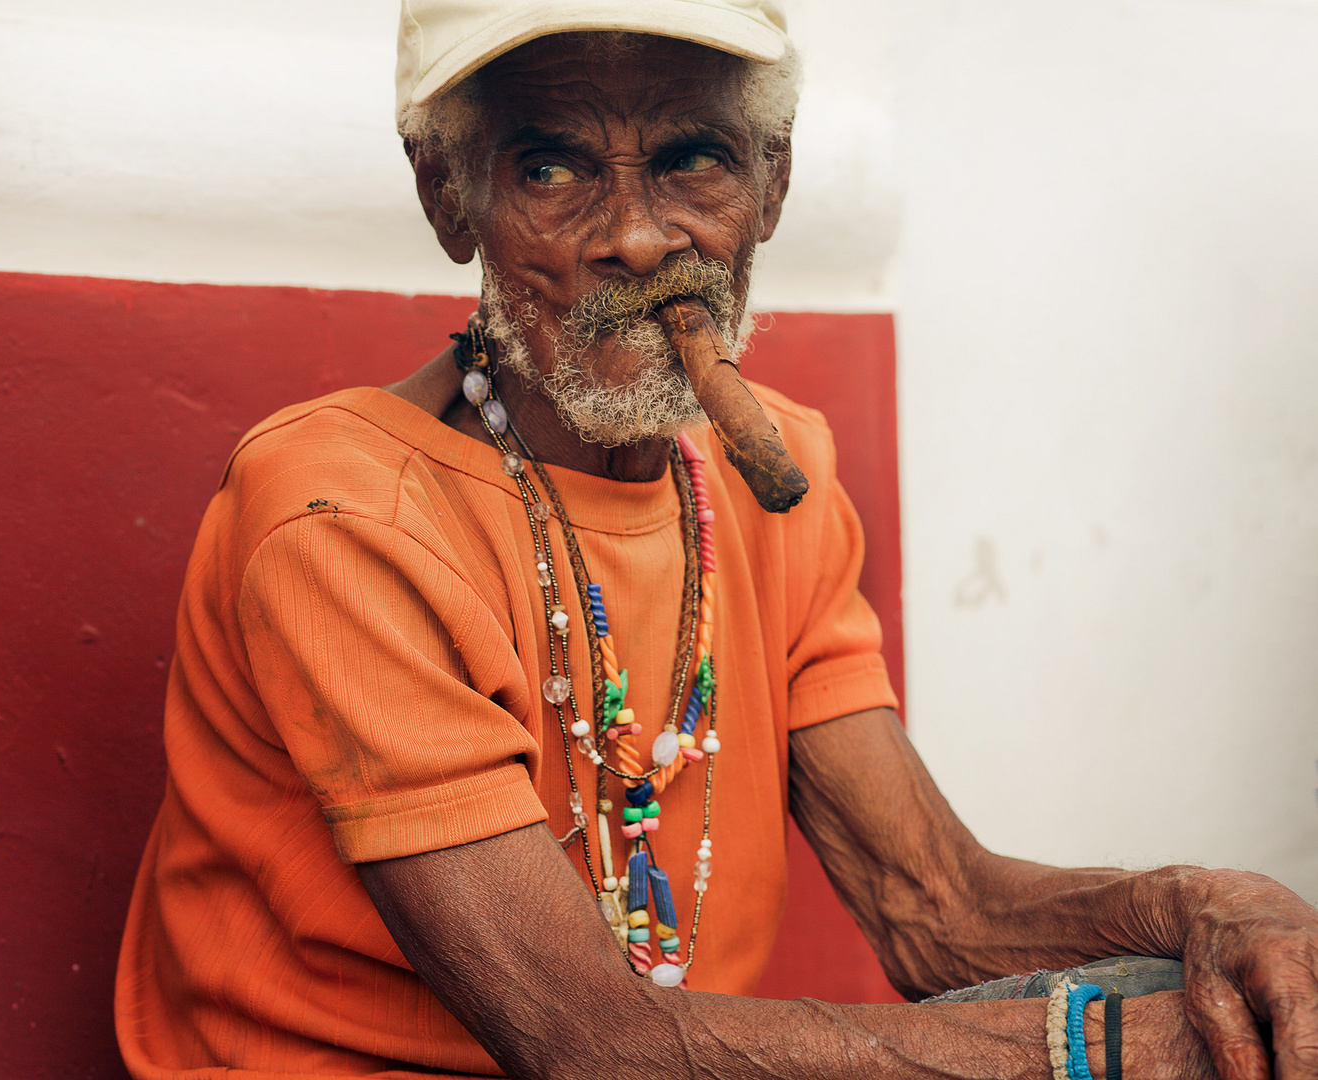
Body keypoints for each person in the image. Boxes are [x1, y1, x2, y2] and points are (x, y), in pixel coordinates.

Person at [114, 3, 1318, 1078]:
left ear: (775, 184)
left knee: (1225, 999)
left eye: (694, 161)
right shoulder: (343, 515)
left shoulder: (772, 476)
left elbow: (935, 904)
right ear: (447, 195)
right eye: (551, 168)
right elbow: (589, 1042)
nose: (636, 239)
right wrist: (1099, 1050)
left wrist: (1211, 905)